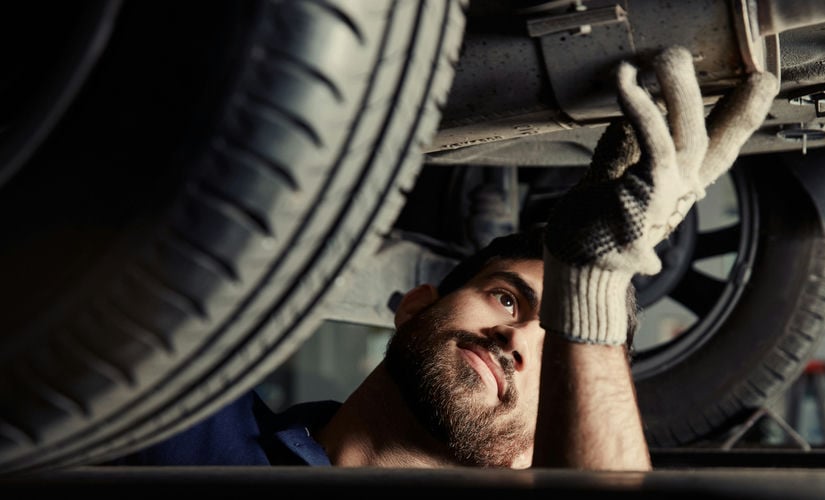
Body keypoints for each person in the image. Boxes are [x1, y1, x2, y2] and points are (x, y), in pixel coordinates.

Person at [105, 47, 778, 471]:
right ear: (415, 305)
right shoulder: (185, 418)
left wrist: (594, 287)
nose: (516, 340)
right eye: (508, 298)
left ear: (534, 453)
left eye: (553, 348)